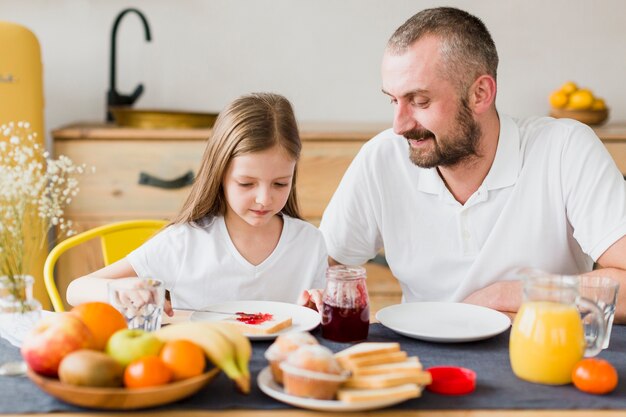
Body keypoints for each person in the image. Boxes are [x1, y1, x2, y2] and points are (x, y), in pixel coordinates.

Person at [302, 7, 626, 323]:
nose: (399, 125)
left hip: (541, 359)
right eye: (393, 100)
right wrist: (313, 294)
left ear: (480, 94)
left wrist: (510, 295)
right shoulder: (383, 157)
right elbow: (321, 271)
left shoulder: (565, 148)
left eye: (420, 101)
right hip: (422, 362)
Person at [67, 93, 328, 315]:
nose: (264, 199)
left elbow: (321, 311)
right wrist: (118, 290)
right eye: (246, 184)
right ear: (220, 174)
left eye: (280, 184)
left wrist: (319, 307)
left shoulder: (310, 243)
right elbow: (76, 289)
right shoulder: (185, 242)